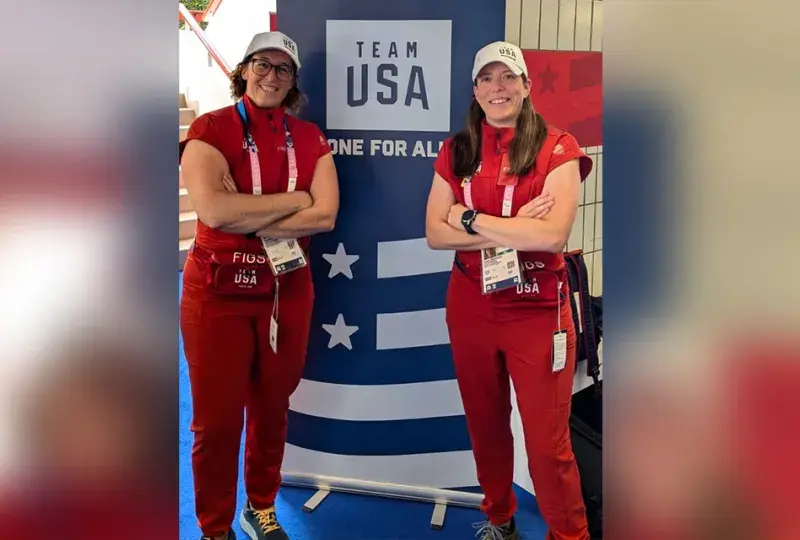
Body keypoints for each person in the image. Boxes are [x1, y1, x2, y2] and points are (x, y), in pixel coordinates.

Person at [425, 41, 593, 540]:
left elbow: (551, 236)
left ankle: (570, 535)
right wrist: (514, 226)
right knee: (486, 425)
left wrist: (468, 217)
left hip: (537, 311)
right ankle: (500, 519)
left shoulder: (558, 147)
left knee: (547, 446)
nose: (497, 87)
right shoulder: (457, 149)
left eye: (507, 77)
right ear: (475, 90)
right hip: (470, 304)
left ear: (526, 86)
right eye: (487, 78)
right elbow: (434, 233)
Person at [179, 31, 339, 540]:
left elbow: (326, 215)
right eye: (262, 65)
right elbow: (214, 211)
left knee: (273, 407)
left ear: (293, 81)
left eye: (283, 68)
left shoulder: (309, 137)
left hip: (285, 291)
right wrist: (296, 200)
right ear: (244, 70)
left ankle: (261, 505)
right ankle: (214, 527)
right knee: (216, 421)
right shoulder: (211, 128)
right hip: (216, 293)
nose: (271, 76)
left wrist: (247, 213)